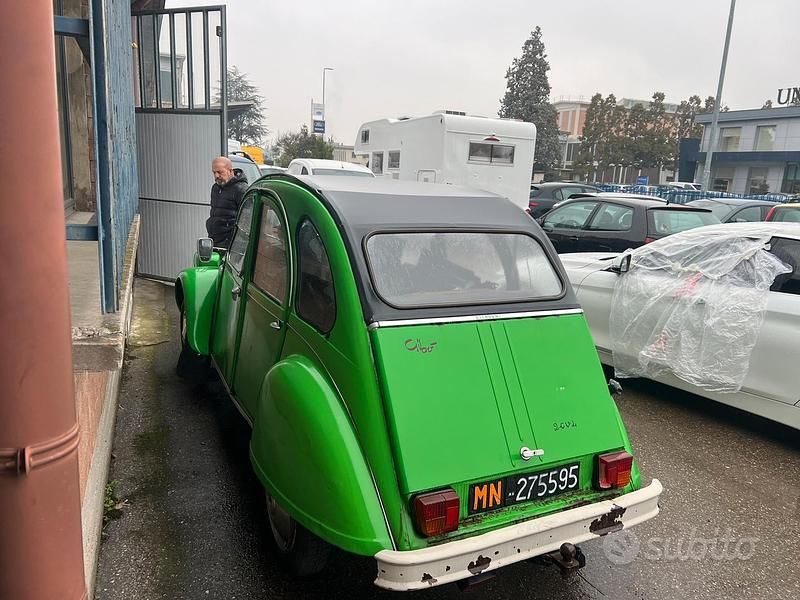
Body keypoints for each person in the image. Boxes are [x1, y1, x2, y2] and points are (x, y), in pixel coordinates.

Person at [206, 156, 248, 248]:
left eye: (220, 172)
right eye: (214, 172)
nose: (216, 176)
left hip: (232, 244)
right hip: (214, 240)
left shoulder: (241, 189)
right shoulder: (215, 188)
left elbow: (247, 220)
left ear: (230, 171)